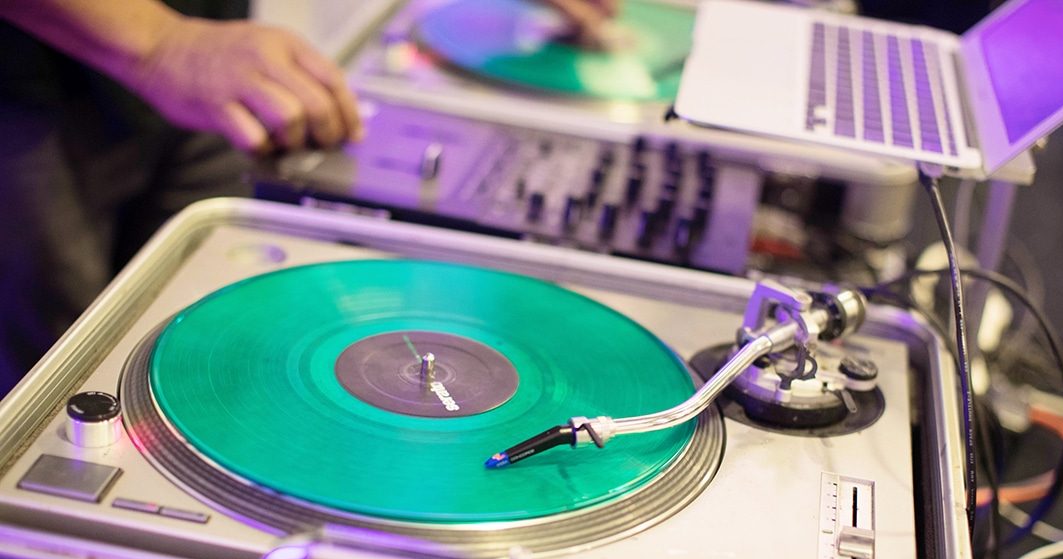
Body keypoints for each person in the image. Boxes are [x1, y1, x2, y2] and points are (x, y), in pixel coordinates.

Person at [0, 0, 618, 397]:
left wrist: (178, 40)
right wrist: (161, 44)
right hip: (31, 94)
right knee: (56, 381)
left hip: (210, 51)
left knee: (211, 354)